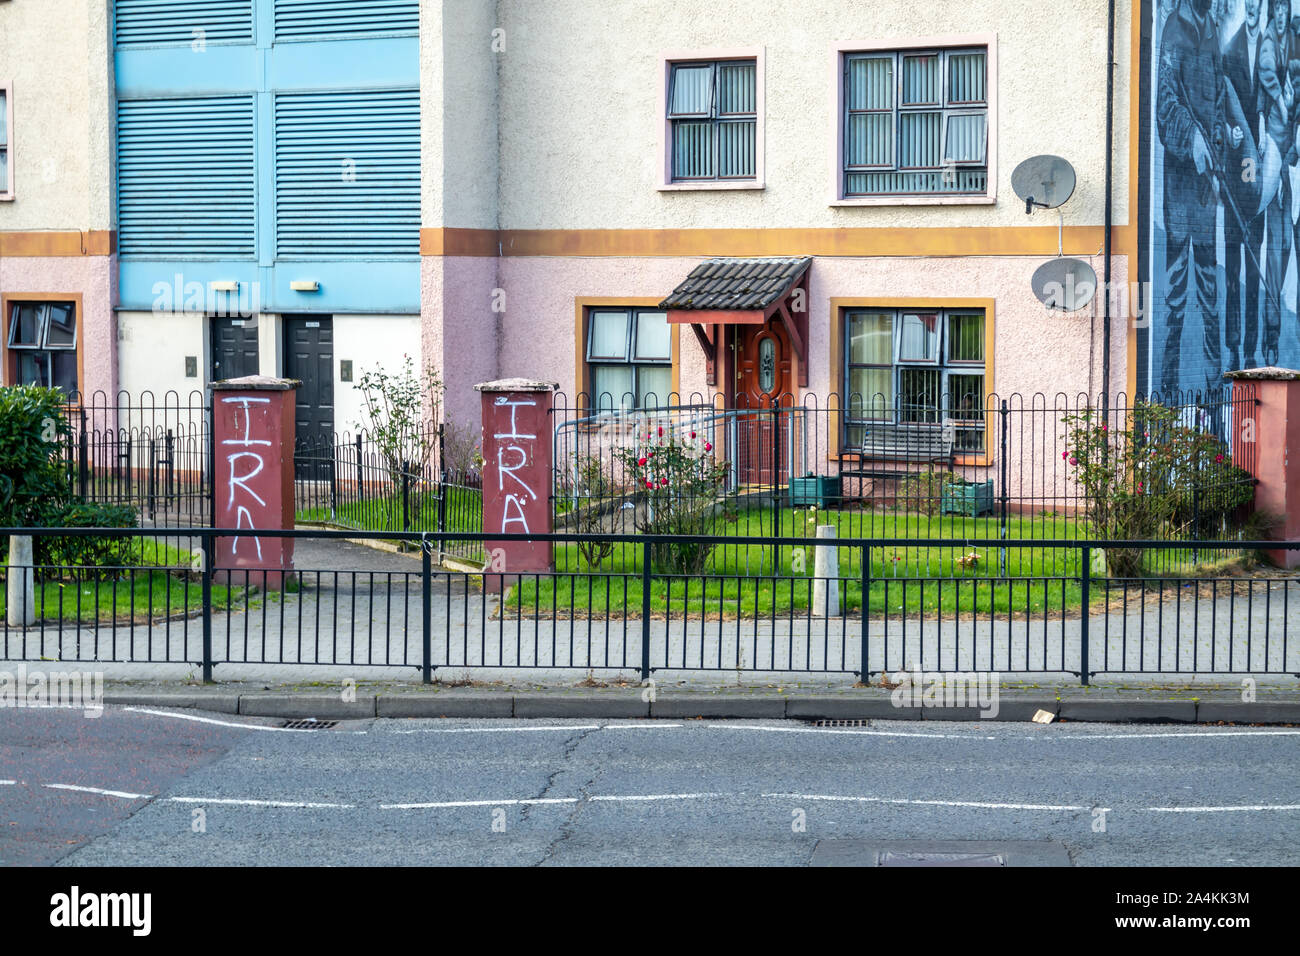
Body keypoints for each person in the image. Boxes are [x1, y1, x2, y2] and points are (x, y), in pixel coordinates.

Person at [1157, 0, 1232, 398]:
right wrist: (1193, 139)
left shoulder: (1212, 34)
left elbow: (1218, 104)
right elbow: (1165, 108)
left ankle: (1214, 392)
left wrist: (1216, 144)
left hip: (1206, 194)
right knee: (1173, 300)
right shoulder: (1174, 29)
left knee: (1209, 297)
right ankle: (1166, 395)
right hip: (1179, 193)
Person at [1224, 0, 1267, 371]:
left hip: (1260, 183)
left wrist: (1267, 128)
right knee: (1233, 269)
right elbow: (1219, 107)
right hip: (1236, 179)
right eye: (1248, 2)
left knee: (1255, 270)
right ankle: (1233, 346)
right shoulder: (1229, 51)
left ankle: (1251, 347)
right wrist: (1228, 131)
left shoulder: (1272, 52)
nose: (1252, 6)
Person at [1258, 0, 1294, 369]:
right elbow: (1266, 74)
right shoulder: (1269, 46)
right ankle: (1271, 341)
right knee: (1275, 260)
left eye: (1286, 9)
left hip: (1290, 177)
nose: (1282, 14)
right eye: (1278, 8)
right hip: (1277, 180)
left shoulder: (1289, 43)